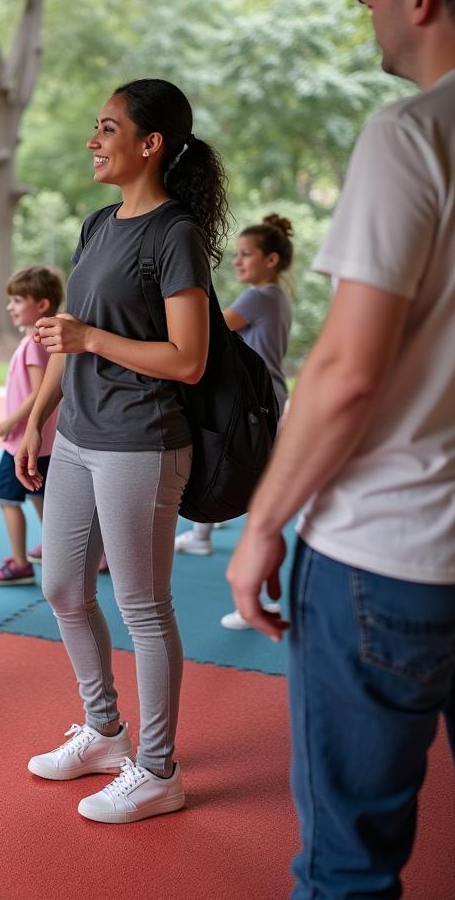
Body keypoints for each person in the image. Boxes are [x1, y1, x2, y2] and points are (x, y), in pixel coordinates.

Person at [227, 0, 455, 896]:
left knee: (346, 863)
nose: (367, 0)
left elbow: (348, 370)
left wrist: (260, 524)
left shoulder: (411, 135)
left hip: (391, 550)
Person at [17, 78, 226, 824]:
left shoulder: (175, 234)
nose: (92, 140)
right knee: (64, 589)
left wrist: (91, 340)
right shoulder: (99, 222)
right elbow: (67, 333)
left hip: (141, 442)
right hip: (76, 434)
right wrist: (38, 419)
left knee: (143, 607)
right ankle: (105, 731)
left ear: (150, 144)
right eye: (94, 127)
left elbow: (189, 358)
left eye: (107, 128)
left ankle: (160, 769)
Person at [175, 215, 295, 629]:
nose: (238, 262)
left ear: (272, 260)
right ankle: (201, 535)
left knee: (253, 487)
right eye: (237, 254)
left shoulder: (257, 298)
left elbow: (213, 331)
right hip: (266, 399)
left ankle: (261, 597)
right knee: (230, 466)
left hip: (254, 405)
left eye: (247, 255)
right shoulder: (277, 297)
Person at [0, 265, 64, 586]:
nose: (9, 307)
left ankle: (19, 564)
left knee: (7, 499)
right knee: (41, 495)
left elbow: (41, 391)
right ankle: (58, 550)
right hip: (45, 441)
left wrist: (12, 421)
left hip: (22, 442)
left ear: (41, 305)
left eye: (17, 300)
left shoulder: (34, 345)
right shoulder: (42, 339)